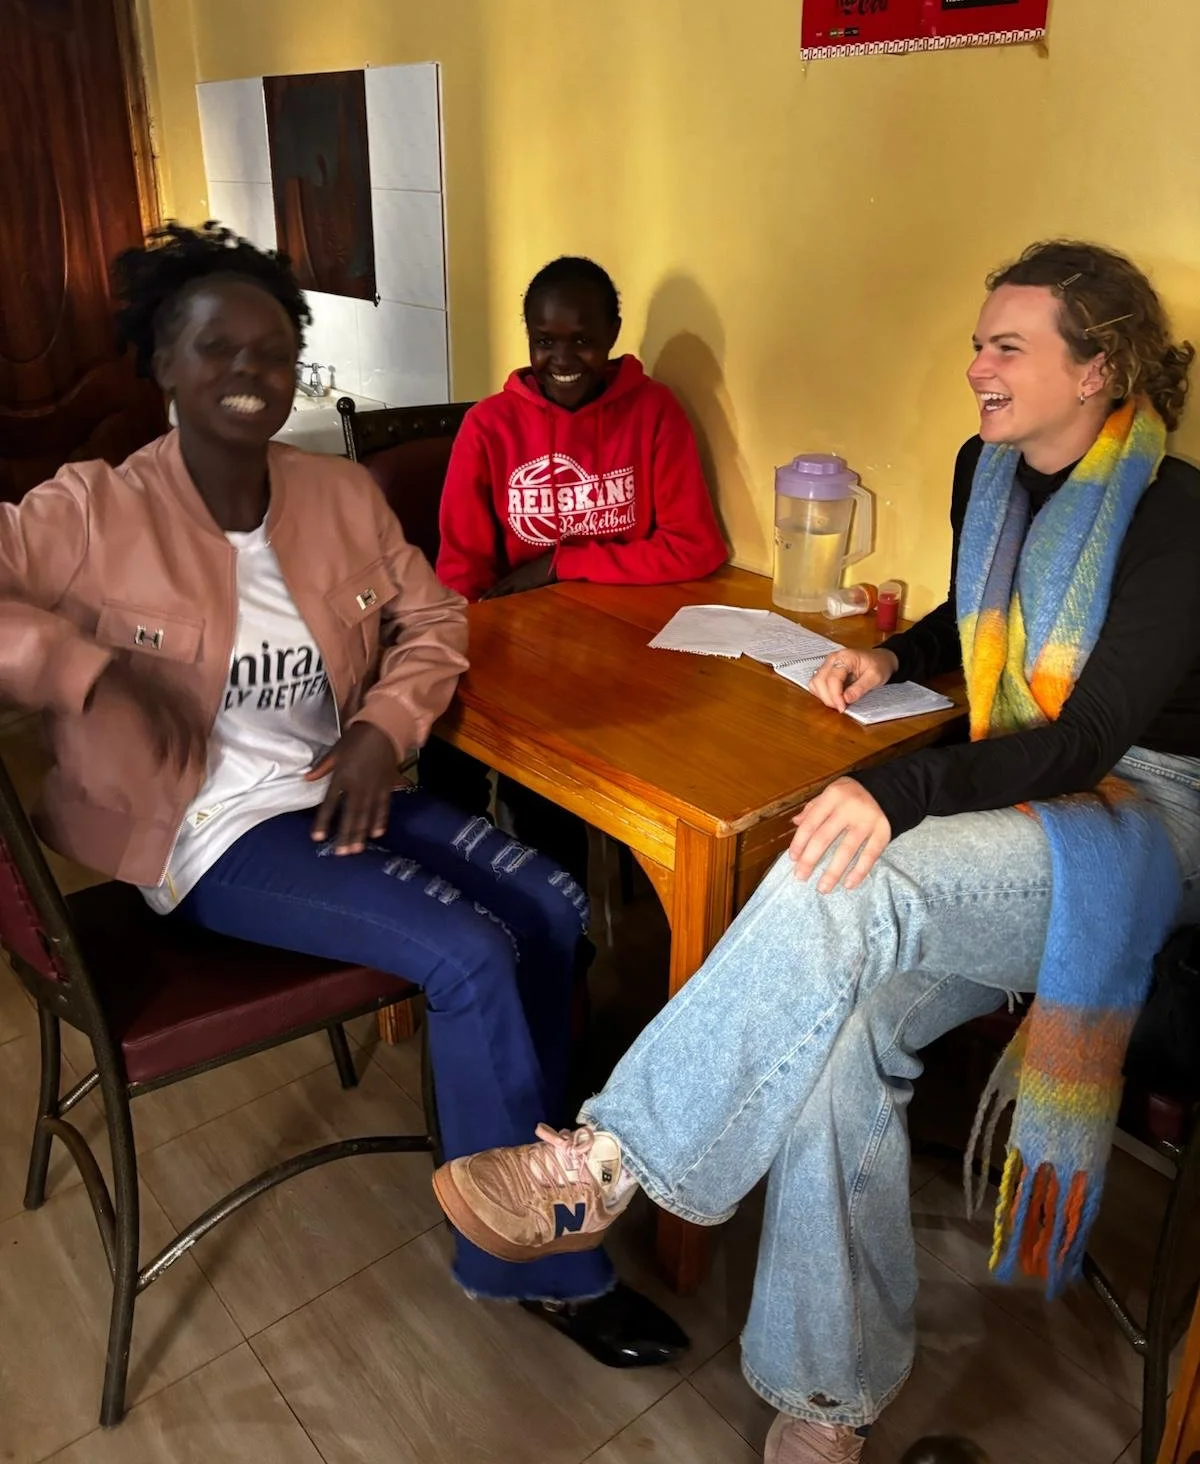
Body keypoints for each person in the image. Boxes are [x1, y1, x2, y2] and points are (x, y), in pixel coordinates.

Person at [429, 240, 1200, 1462]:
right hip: (1023, 803)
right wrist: (896, 656)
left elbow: (1091, 736)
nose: (977, 369)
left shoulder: (1174, 515)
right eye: (978, 343)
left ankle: (611, 1155)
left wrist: (904, 789)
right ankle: (830, 1396)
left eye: (1007, 348)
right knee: (837, 1040)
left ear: (1096, 368)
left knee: (855, 865)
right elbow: (971, 620)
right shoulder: (991, 471)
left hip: (1139, 824)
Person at [0, 223, 686, 1371]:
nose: (249, 372)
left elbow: (437, 618)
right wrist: (83, 664)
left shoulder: (336, 496)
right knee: (469, 950)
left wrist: (381, 727)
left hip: (333, 786)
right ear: (162, 362)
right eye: (216, 347)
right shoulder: (92, 512)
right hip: (206, 831)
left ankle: (525, 1149)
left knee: (553, 905)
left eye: (274, 349)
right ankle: (540, 1265)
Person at [426, 256, 727, 879]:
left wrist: (562, 563)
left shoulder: (653, 411)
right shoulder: (489, 426)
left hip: (623, 653)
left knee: (556, 797)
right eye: (545, 341)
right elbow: (461, 572)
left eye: (582, 340)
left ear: (612, 334)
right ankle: (453, 888)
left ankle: (563, 911)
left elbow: (696, 548)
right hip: (513, 650)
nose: (562, 359)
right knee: (447, 751)